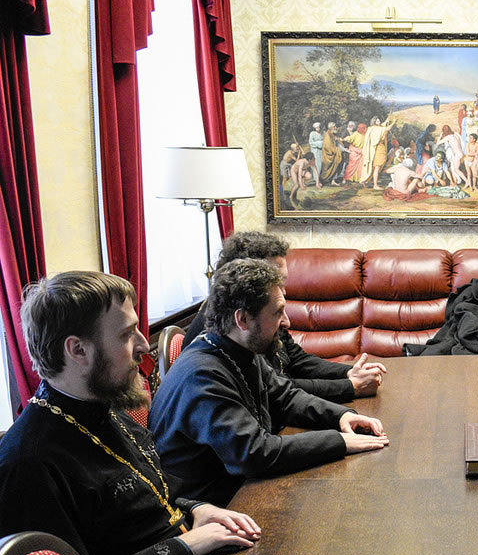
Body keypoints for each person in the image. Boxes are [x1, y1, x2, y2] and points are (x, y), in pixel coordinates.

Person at [0, 272, 260, 555]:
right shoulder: (27, 465)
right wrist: (186, 545)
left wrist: (197, 509)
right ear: (78, 350)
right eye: (126, 334)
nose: (143, 344)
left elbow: (148, 495)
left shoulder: (106, 407)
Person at [151, 259, 389, 506]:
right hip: (213, 508)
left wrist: (341, 417)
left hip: (243, 488)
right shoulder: (201, 376)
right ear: (243, 319)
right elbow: (255, 453)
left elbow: (285, 397)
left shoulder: (239, 348)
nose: (286, 322)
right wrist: (338, 441)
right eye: (277, 312)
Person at [182, 231, 386, 403]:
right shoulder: (228, 328)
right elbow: (277, 389)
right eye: (276, 282)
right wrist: (349, 386)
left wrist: (348, 372)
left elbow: (296, 359)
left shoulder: (263, 312)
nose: (284, 292)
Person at [360, 114, 397, 189]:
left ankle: (365, 181)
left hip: (379, 149)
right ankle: (375, 185)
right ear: (374, 122)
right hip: (379, 149)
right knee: (377, 167)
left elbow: (383, 124)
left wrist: (388, 118)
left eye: (379, 120)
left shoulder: (373, 128)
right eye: (377, 121)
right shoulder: (377, 129)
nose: (379, 121)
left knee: (374, 167)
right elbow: (386, 129)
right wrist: (393, 122)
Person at [320, 121, 344, 186]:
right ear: (331, 128)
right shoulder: (327, 135)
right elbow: (328, 146)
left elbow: (336, 142)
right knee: (327, 169)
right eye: (334, 127)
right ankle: (323, 180)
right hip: (329, 155)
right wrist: (337, 150)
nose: (335, 128)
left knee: (335, 168)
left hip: (334, 155)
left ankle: (333, 181)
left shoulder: (332, 134)